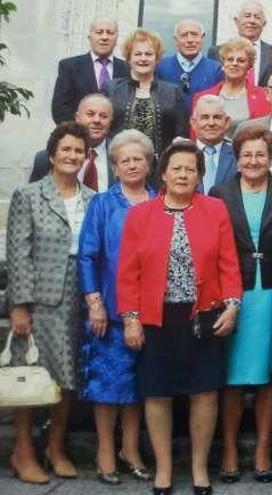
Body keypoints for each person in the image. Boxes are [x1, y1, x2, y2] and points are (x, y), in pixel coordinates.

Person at [116, 140, 242, 495]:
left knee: (204, 392)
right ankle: (164, 470)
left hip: (203, 315)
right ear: (164, 174)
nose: (183, 174)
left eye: (191, 168)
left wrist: (232, 306)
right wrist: (131, 318)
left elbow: (229, 264)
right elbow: (127, 272)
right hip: (157, 318)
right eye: (177, 168)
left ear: (200, 175)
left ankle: (200, 469)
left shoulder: (215, 209)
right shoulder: (140, 215)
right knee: (157, 393)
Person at [7, 122, 95, 484]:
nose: (72, 156)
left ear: (86, 157)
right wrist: (19, 305)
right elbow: (18, 252)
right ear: (53, 153)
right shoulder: (28, 195)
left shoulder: (92, 198)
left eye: (79, 151)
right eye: (66, 149)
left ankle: (55, 447)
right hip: (40, 299)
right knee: (30, 374)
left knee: (68, 374)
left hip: (81, 294)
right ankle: (23, 450)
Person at [208, 126, 272, 485]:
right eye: (247, 155)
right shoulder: (219, 194)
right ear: (236, 159)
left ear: (270, 157)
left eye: (260, 154)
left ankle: (262, 449)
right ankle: (228, 448)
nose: (254, 161)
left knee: (268, 375)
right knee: (234, 377)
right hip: (234, 294)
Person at [78, 129, 157, 485]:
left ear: (150, 162)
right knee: (108, 386)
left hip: (153, 311)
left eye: (138, 158)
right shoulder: (102, 204)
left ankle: (131, 449)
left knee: (139, 386)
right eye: (124, 159)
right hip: (109, 313)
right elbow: (88, 255)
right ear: (114, 165)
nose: (132, 164)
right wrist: (93, 302)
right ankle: (106, 451)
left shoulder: (161, 199)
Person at [104, 28, 189, 172]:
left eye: (149, 54)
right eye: (138, 54)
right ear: (129, 59)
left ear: (157, 59)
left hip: (160, 169)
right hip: (119, 167)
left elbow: (181, 134)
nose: (143, 58)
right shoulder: (111, 89)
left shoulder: (172, 91)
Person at [31, 94, 118, 192]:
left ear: (111, 121)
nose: (97, 120)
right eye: (90, 114)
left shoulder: (120, 157)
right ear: (77, 117)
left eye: (103, 116)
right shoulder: (45, 159)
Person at [51, 17, 128, 123]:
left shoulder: (127, 69)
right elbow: (60, 109)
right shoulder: (70, 67)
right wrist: (78, 134)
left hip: (116, 138)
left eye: (110, 33)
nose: (104, 37)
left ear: (116, 38)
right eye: (99, 32)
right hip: (80, 135)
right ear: (89, 37)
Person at [192, 38, 272, 139]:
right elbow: (195, 136)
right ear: (223, 63)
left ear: (249, 66)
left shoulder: (264, 97)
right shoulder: (202, 97)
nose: (234, 63)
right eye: (230, 59)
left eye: (241, 60)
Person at [208, 1, 272, 87]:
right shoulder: (216, 52)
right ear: (236, 21)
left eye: (257, 17)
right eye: (247, 16)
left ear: (264, 23)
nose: (252, 21)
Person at [155, 20, 223, 110]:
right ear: (176, 40)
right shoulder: (160, 67)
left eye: (194, 34)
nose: (190, 40)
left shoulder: (216, 69)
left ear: (202, 38)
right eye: (184, 35)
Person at [190, 95, 238, 191]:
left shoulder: (238, 155)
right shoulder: (181, 155)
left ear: (227, 122)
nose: (211, 123)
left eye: (217, 117)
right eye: (204, 118)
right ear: (193, 123)